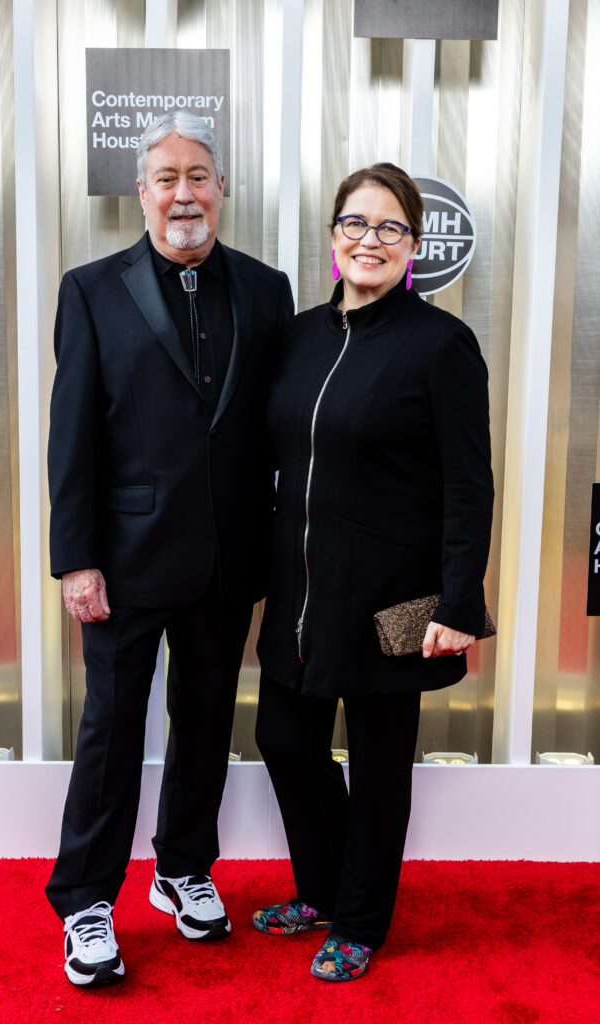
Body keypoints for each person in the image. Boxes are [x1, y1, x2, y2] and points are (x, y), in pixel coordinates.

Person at [46, 112, 293, 988]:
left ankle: (182, 868)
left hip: (228, 560)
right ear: (141, 192)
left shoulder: (268, 290)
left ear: (220, 188)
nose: (183, 193)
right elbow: (69, 436)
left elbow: (277, 427)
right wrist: (75, 558)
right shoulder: (89, 288)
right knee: (111, 732)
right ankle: (84, 901)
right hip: (121, 561)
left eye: (199, 176)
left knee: (204, 724)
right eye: (166, 178)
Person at [251, 163, 493, 982]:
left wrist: (459, 602)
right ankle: (321, 890)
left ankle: (359, 920)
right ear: (332, 237)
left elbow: (469, 485)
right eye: (356, 224)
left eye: (390, 228)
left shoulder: (440, 345)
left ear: (414, 247)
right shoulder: (298, 336)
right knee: (282, 739)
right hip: (300, 593)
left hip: (398, 598)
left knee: (380, 765)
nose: (370, 240)